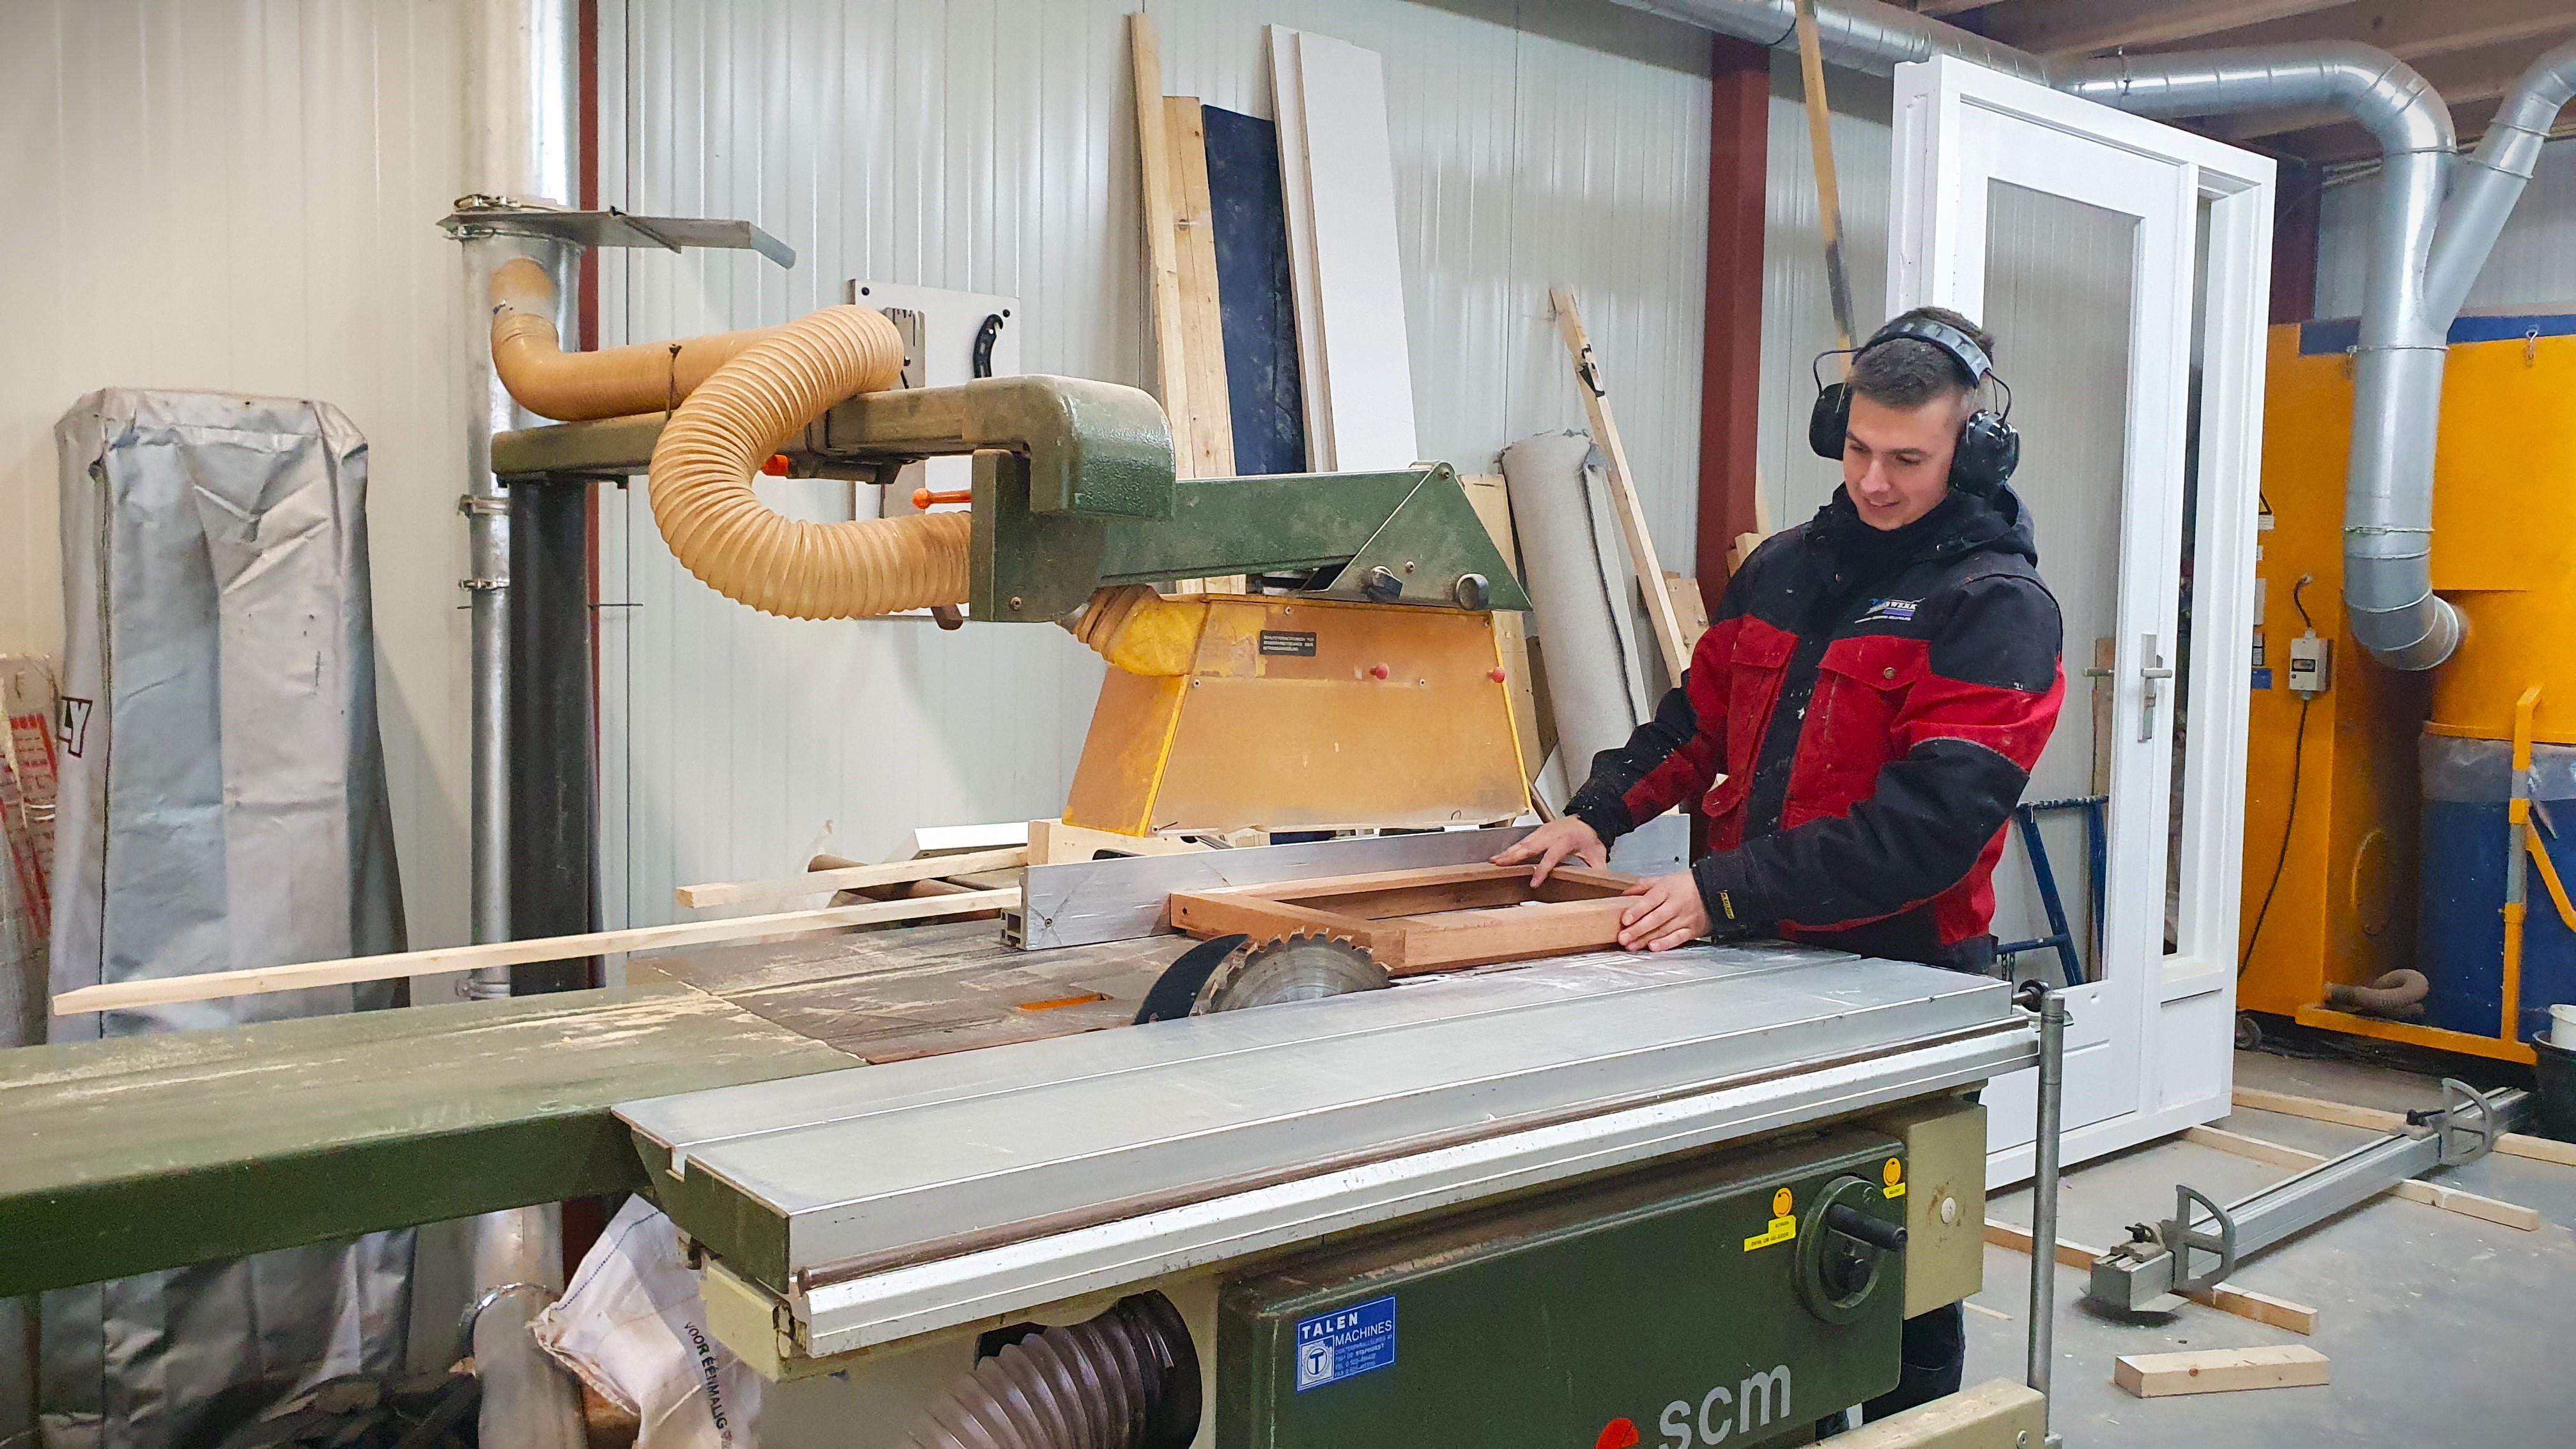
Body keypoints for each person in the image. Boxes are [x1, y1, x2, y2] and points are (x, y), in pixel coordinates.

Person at [1494, 306, 2063, 1422]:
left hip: (1903, 983)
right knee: (1764, 1257)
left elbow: (1927, 831)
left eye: (1908, 460)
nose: (1875, 482)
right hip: (1753, 967)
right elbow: (1695, 721)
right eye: (1858, 449)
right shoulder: (1785, 570)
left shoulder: (1996, 607)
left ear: (1971, 452)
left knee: (1895, 1272)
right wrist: (1595, 815)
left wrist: (1719, 892)